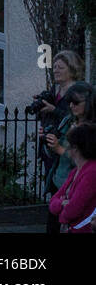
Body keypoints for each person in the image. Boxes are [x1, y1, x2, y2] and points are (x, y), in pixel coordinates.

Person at [45, 82, 95, 232]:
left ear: (90, 102)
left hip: (79, 186)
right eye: (69, 102)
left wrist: (61, 149)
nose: (72, 106)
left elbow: (86, 159)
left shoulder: (91, 130)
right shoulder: (69, 120)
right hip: (61, 179)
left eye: (76, 102)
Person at [49, 122, 96, 233]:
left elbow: (73, 210)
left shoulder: (92, 173)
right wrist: (62, 203)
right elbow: (52, 203)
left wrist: (62, 209)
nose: (67, 148)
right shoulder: (75, 171)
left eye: (69, 144)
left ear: (75, 148)